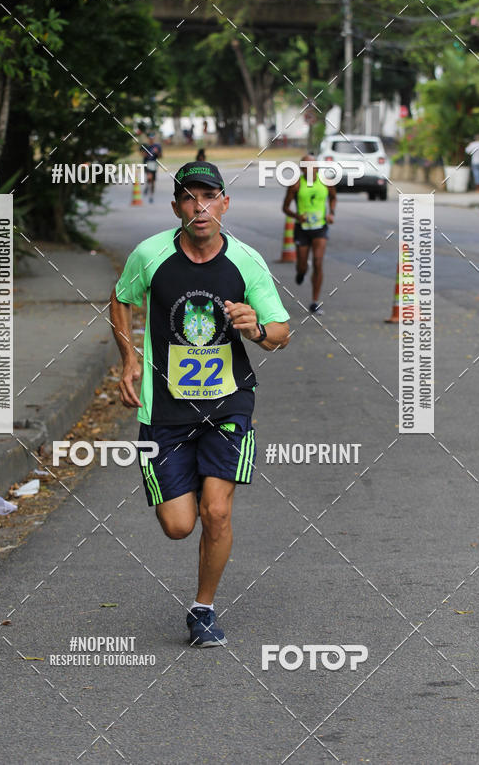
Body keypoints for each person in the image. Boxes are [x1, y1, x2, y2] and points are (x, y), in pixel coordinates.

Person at [110, 161, 290, 648]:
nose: (200, 207)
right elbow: (121, 299)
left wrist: (255, 329)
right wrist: (129, 358)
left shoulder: (246, 262)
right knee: (177, 525)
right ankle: (181, 485)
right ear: (176, 208)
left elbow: (281, 333)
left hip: (229, 405)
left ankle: (203, 609)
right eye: (190, 198)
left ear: (224, 204)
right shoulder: (151, 255)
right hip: (165, 410)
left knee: (217, 513)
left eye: (209, 197)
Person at [282, 154, 336, 313]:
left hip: (320, 227)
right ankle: (301, 272)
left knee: (318, 262)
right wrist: (297, 216)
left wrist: (331, 213)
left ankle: (315, 301)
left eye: (314, 166)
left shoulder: (326, 182)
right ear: (302, 168)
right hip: (302, 229)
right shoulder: (296, 185)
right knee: (302, 266)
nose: (311, 169)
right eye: (307, 166)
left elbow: (333, 198)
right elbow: (285, 208)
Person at [140, 132, 162, 203]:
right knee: (149, 177)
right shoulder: (145, 146)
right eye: (150, 138)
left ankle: (151, 195)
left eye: (152, 138)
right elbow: (142, 154)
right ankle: (147, 186)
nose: (151, 139)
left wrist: (157, 152)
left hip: (154, 164)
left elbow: (160, 156)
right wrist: (145, 154)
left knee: (153, 181)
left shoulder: (157, 146)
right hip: (146, 163)